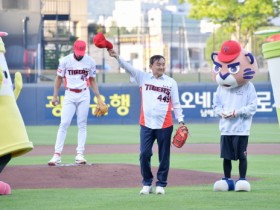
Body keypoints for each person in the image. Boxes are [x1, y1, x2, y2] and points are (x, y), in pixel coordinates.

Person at [108, 49, 185, 195]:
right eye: (158, 64)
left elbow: (176, 103)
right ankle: (147, 183)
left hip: (165, 124)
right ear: (151, 66)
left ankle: (161, 184)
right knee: (144, 154)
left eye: (163, 64)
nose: (161, 67)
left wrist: (181, 120)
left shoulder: (171, 82)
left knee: (164, 156)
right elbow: (127, 67)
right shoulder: (142, 77)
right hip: (146, 123)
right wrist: (117, 57)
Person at [211, 40, 258, 192]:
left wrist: (237, 112)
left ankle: (242, 180)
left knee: (242, 156)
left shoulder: (248, 86)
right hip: (225, 128)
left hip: (242, 129)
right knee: (226, 157)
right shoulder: (220, 88)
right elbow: (215, 106)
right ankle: (227, 180)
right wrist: (221, 113)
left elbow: (253, 107)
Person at [48, 39, 104, 166]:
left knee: (82, 124)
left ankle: (80, 154)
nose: (80, 54)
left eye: (82, 51)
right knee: (64, 123)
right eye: (78, 51)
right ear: (74, 49)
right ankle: (57, 154)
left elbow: (92, 80)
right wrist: (55, 95)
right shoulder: (65, 61)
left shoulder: (90, 61)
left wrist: (98, 97)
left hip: (84, 94)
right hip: (70, 94)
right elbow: (58, 78)